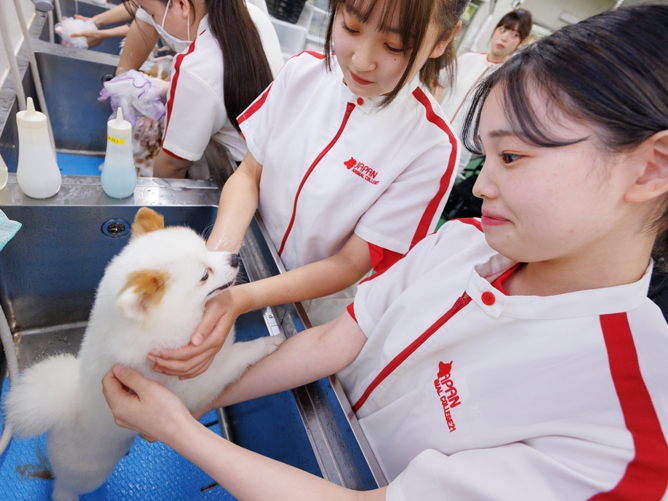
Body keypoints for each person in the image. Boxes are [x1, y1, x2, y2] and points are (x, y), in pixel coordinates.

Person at [103, 4, 668, 499]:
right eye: (350, 24)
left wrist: (181, 428)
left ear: (649, 167)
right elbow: (334, 342)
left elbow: (351, 274)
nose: (480, 186)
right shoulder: (462, 245)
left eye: (514, 157)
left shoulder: (623, 430)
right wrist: (198, 399)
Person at [145, 0, 467, 380]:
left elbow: (350, 264)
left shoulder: (430, 146)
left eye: (394, 47)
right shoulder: (302, 74)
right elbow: (248, 176)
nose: (362, 61)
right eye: (350, 27)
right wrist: (214, 266)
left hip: (307, 317)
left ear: (442, 40)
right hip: (246, 264)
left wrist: (240, 297)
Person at [114, 0, 283, 178]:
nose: (154, 24)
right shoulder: (250, 14)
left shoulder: (194, 69)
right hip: (272, 172)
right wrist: (168, 89)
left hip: (232, 181)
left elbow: (171, 167)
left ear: (182, 5)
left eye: (152, 14)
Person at [437, 8, 532, 174]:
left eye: (514, 35)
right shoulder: (468, 59)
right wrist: (433, 112)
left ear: (521, 43)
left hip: (459, 152)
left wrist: (480, 142)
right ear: (495, 30)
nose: (505, 37)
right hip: (432, 136)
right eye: (503, 30)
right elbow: (439, 81)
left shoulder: (511, 80)